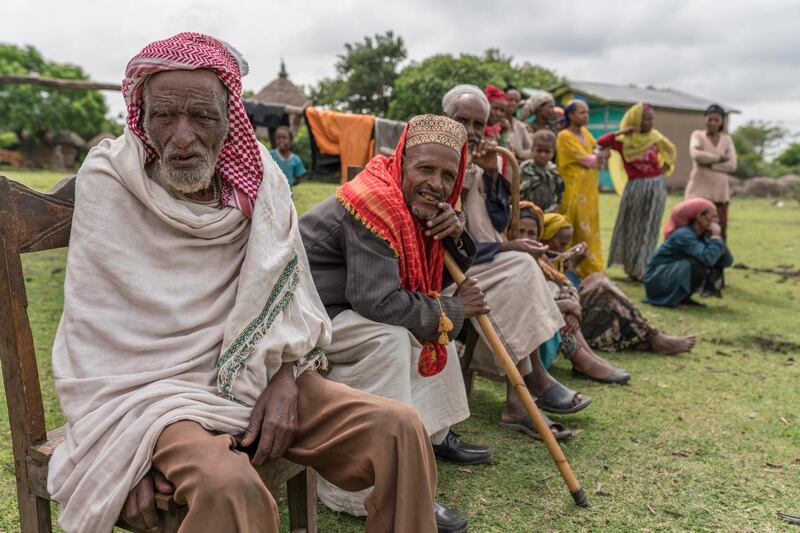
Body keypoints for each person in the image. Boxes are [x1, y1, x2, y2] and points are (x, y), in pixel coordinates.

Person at [47, 33, 439, 533]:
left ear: (229, 120)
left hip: (258, 376)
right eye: (165, 115)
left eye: (202, 116)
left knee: (399, 429)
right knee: (229, 487)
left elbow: (290, 302)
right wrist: (131, 450)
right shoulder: (109, 182)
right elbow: (97, 338)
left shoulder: (262, 184)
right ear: (140, 117)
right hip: (152, 401)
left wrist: (284, 377)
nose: (183, 137)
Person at [300, 114, 488, 533]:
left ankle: (424, 446)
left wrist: (454, 236)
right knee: (393, 335)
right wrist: (455, 314)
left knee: (425, 325)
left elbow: (425, 277)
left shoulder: (416, 205)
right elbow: (377, 302)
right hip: (303, 315)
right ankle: (356, 489)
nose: (436, 183)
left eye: (446, 175)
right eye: (425, 169)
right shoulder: (375, 201)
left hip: (340, 308)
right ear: (402, 161)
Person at [441, 84, 594, 442]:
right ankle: (532, 383)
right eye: (462, 121)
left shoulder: (477, 162)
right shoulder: (436, 158)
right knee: (520, 267)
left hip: (481, 260)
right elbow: (452, 236)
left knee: (523, 269)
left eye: (479, 124)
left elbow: (496, 219)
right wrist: (508, 244)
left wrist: (491, 173)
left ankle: (520, 395)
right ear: (443, 120)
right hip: (446, 268)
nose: (471, 131)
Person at [538, 209, 696, 355]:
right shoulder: (539, 259)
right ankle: (653, 338)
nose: (563, 248)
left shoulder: (550, 258)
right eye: (561, 243)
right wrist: (572, 266)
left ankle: (648, 337)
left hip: (570, 309)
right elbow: (561, 291)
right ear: (545, 237)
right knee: (602, 289)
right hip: (562, 317)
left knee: (599, 279)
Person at [516, 203, 631, 385]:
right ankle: (583, 362)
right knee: (563, 298)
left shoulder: (542, 259)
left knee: (569, 295)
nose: (525, 238)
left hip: (547, 333)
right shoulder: (510, 261)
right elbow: (530, 302)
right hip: (524, 340)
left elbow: (566, 286)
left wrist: (571, 306)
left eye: (531, 233)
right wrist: (568, 305)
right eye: (519, 231)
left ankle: (588, 357)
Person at [601, 102, 677, 280]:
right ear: (636, 120)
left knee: (650, 227)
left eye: (652, 119)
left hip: (656, 187)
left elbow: (670, 151)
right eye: (647, 119)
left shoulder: (655, 138)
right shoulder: (624, 142)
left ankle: (644, 267)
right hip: (635, 187)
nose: (651, 122)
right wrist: (623, 131)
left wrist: (664, 167)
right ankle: (631, 268)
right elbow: (602, 141)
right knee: (632, 227)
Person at [644, 198, 733, 307]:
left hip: (670, 275)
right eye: (713, 216)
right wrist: (715, 238)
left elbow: (727, 261)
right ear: (700, 216)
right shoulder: (683, 235)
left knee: (701, 263)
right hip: (657, 280)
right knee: (694, 265)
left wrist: (717, 239)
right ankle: (668, 299)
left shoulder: (703, 235)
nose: (717, 221)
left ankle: (683, 298)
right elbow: (707, 259)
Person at [556, 100, 604, 277]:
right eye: (582, 112)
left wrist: (600, 153)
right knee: (575, 225)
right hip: (573, 190)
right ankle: (570, 266)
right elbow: (588, 159)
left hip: (588, 190)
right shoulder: (564, 136)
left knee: (590, 227)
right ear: (570, 115)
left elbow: (598, 149)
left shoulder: (585, 133)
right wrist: (599, 155)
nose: (586, 116)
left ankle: (590, 267)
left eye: (587, 112)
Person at [684, 104, 737, 241]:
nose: (712, 123)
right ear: (705, 120)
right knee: (697, 229)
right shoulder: (697, 135)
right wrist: (719, 158)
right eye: (710, 119)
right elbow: (696, 155)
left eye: (716, 120)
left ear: (722, 122)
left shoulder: (727, 139)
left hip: (720, 194)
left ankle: (717, 261)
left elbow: (732, 165)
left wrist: (710, 165)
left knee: (720, 230)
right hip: (698, 193)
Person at [519, 129, 564, 212]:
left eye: (547, 152)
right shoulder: (525, 168)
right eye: (539, 151)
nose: (543, 155)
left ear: (553, 153)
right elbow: (517, 191)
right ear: (532, 150)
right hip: (527, 212)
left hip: (549, 211)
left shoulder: (554, 171)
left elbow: (559, 194)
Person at [504, 85, 533, 160]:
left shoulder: (520, 126)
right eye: (510, 100)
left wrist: (519, 154)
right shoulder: (494, 123)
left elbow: (531, 150)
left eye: (517, 101)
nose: (513, 103)